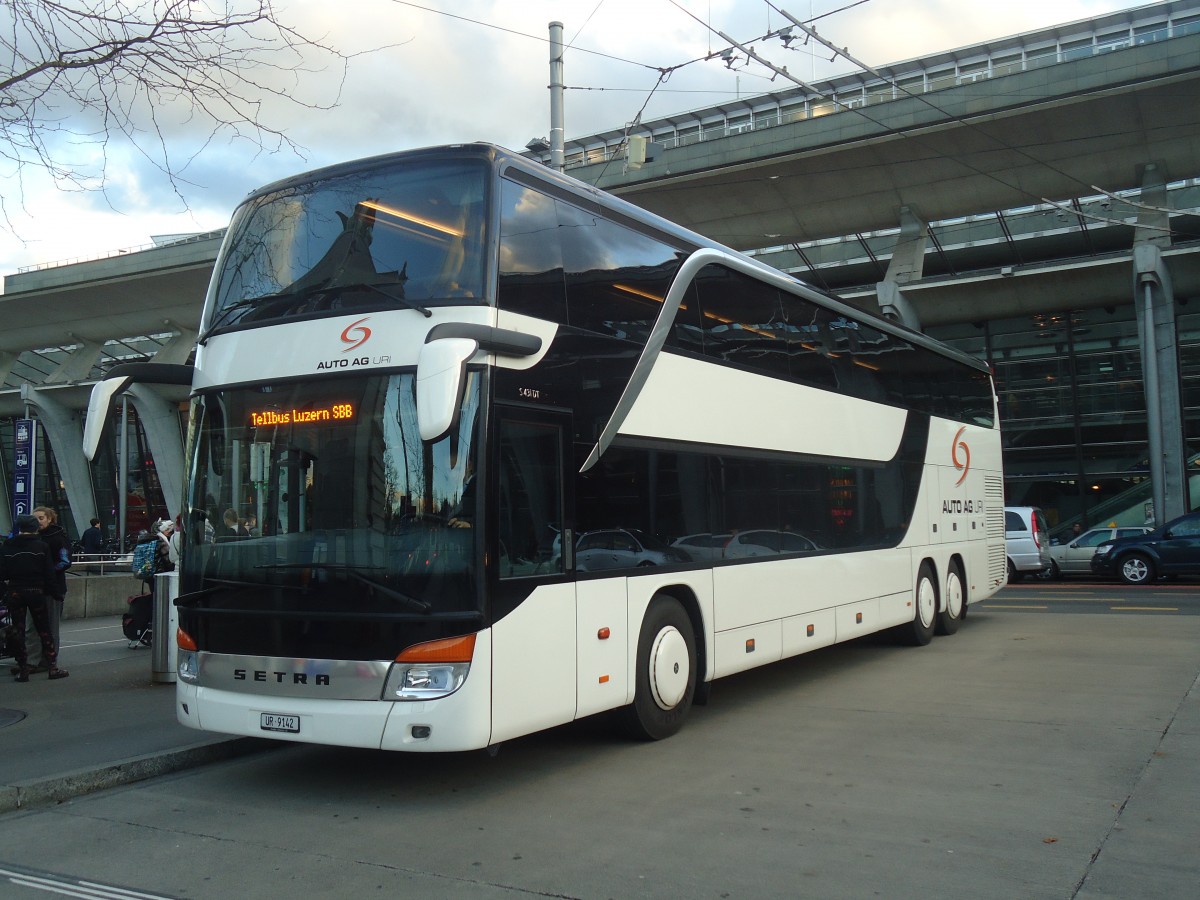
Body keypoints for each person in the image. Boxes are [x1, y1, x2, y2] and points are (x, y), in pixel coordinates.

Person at [2, 514, 68, 681]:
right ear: (34, 528)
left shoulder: (8, 545)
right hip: (36, 590)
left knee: (19, 629)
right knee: (44, 629)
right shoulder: (41, 546)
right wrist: (56, 593)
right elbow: (49, 573)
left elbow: (2, 572)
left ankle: (23, 668)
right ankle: (52, 666)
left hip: (16, 590)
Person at [24, 506, 71, 671]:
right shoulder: (32, 538)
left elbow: (65, 561)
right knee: (31, 627)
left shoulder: (57, 538)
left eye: (41, 518)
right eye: (35, 518)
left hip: (52, 588)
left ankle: (48, 660)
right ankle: (32, 660)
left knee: (50, 626)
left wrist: (46, 573)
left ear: (50, 519)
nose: (38, 521)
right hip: (34, 587)